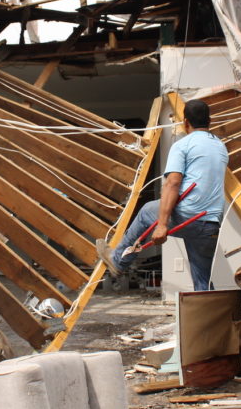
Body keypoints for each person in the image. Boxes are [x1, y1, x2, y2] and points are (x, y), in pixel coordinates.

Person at [97, 99, 228, 291]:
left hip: (189, 216)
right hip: (210, 224)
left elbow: (173, 182)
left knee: (147, 211)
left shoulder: (183, 145)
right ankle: (212, 319)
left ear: (185, 122)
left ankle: (118, 261)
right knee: (203, 281)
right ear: (210, 121)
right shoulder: (220, 146)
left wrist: (162, 225)